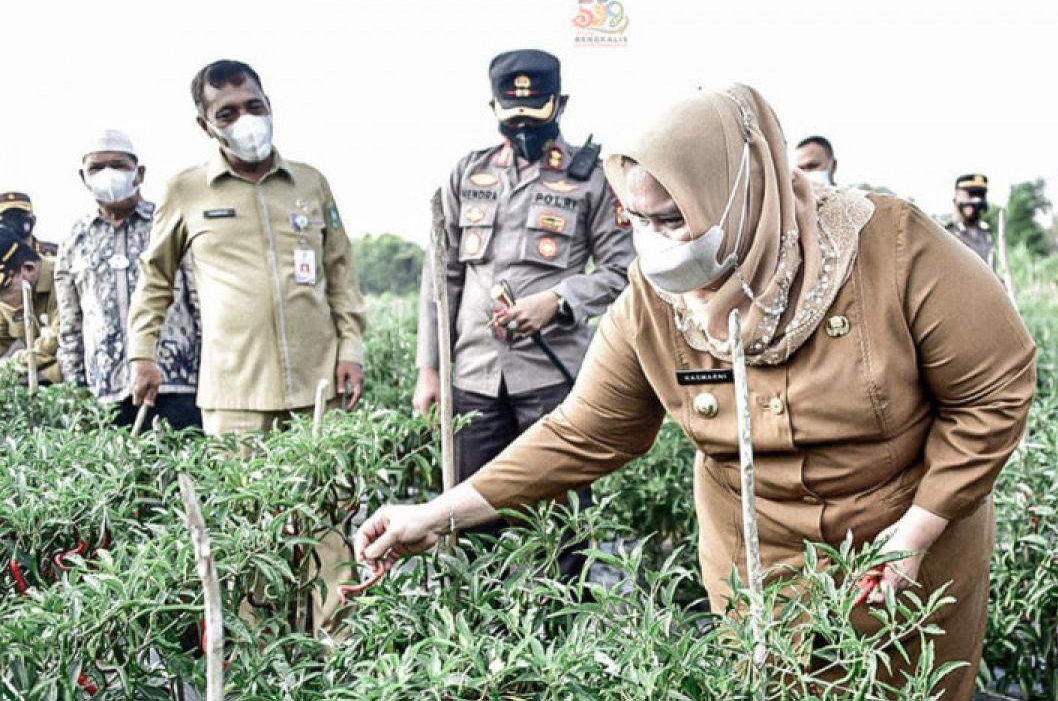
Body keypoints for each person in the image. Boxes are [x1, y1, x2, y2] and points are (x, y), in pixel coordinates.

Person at [357, 84, 1036, 701]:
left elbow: (993, 391)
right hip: (761, 562)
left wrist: (916, 533)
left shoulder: (889, 247)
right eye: (639, 219)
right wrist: (438, 514)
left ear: (737, 193)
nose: (657, 242)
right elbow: (583, 431)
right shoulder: (654, 304)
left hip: (905, 551)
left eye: (675, 217)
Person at [127, 59, 367, 636]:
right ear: (205, 125)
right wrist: (143, 351)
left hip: (318, 393)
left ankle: (340, 652)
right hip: (234, 395)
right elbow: (154, 278)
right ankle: (262, 663)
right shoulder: (186, 190)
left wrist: (351, 347)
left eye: (253, 106)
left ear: (269, 103)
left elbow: (341, 272)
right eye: (227, 113)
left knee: (331, 531)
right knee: (250, 534)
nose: (246, 120)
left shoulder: (310, 182)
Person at [412, 49, 635, 570]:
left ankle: (560, 641)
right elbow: (439, 277)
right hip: (473, 375)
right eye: (511, 117)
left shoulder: (592, 178)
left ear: (560, 104)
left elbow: (625, 270)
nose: (522, 129)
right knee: (469, 521)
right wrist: (429, 369)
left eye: (535, 113)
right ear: (493, 107)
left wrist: (557, 301)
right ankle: (483, 640)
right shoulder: (467, 173)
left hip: (551, 376)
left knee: (560, 529)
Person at [55, 130, 202, 431]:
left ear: (140, 173)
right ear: (83, 177)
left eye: (118, 165)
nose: (108, 173)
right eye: (96, 168)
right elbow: (69, 326)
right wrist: (76, 390)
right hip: (106, 393)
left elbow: (200, 302)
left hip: (176, 384)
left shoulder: (168, 225)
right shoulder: (75, 241)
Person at [0, 225, 60, 382]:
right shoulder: (7, 296)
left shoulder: (62, 278)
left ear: (28, 268)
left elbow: (58, 340)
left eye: (3, 290)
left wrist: (10, 366)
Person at [947, 173, 994, 266]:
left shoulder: (985, 233)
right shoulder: (946, 233)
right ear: (956, 199)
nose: (977, 200)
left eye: (981, 195)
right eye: (971, 195)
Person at [0, 191, 57, 256]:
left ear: (33, 219)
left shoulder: (55, 254)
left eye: (20, 215)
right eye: (8, 217)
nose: (14, 222)